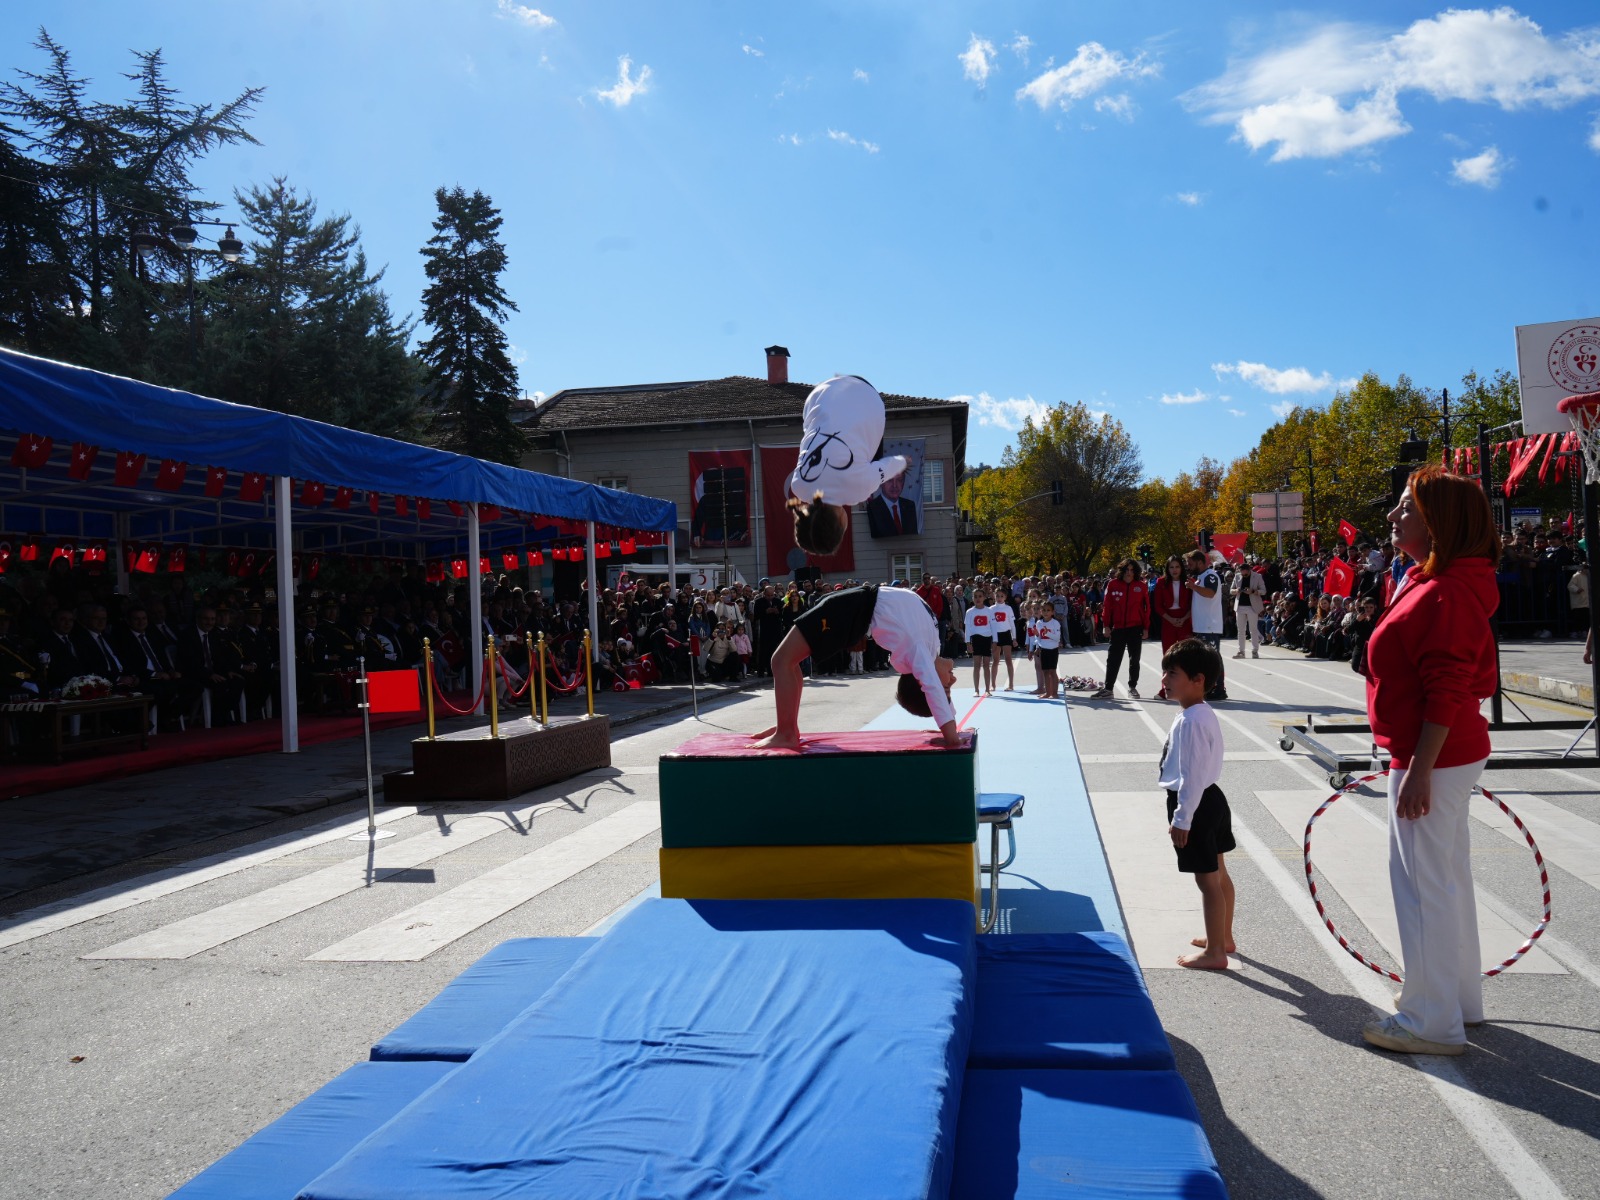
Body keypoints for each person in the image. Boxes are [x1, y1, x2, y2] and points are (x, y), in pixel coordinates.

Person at [1362, 466, 1500, 1056]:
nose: (1393, 518)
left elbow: (1450, 686)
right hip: (1442, 753)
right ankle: (1457, 1001)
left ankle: (1430, 1020)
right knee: (1446, 881)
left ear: (1438, 522)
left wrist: (1417, 768)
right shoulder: (1440, 581)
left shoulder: (1443, 591)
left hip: (1431, 758)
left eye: (1406, 509)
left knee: (1424, 888)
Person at [754, 583, 958, 750]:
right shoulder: (933, 645)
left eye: (947, 686)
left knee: (781, 660)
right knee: (788, 661)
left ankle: (787, 733)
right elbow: (936, 695)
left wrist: (952, 738)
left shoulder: (919, 653)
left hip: (850, 611)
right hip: (854, 602)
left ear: (921, 680)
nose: (953, 679)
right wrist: (954, 727)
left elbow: (934, 692)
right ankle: (787, 726)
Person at [1156, 638, 1235, 970]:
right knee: (1218, 873)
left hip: (1197, 803)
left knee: (1206, 880)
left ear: (1199, 680)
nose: (1164, 680)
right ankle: (1223, 937)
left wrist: (1183, 818)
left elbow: (1191, 774)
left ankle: (1216, 952)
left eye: (1172, 674)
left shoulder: (1191, 721)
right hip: (1211, 797)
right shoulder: (1197, 712)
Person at [788, 374, 907, 555]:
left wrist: (906, 460)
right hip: (820, 394)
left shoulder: (858, 492)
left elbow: (894, 464)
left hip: (867, 396)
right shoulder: (798, 487)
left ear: (842, 523)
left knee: (873, 463)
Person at [1094, 559, 1149, 699]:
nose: (1129, 573)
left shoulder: (1141, 586)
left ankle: (1132, 687)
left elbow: (1146, 608)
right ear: (1122, 570)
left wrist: (1146, 627)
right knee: (1113, 659)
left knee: (1134, 659)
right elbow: (1107, 606)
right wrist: (1106, 625)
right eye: (1126, 570)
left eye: (1132, 570)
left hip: (1135, 628)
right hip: (1117, 628)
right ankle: (1108, 689)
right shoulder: (1113, 584)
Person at [1185, 550, 1227, 701]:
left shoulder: (1210, 576)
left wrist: (1193, 587)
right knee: (1206, 659)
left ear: (1200, 562)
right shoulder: (1199, 577)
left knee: (1214, 658)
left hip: (1210, 625)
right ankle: (1211, 687)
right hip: (1202, 625)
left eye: (1191, 563)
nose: (1188, 566)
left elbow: (1210, 593)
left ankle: (1219, 688)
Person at [1154, 555, 1192, 699]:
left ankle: (1186, 688)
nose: (1174, 570)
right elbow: (1157, 606)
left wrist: (1183, 618)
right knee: (1168, 656)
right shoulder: (1160, 582)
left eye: (1177, 567)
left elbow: (1192, 604)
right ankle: (1165, 690)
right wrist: (1171, 619)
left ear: (1181, 568)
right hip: (1168, 621)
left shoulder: (1188, 583)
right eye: (1171, 567)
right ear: (1167, 569)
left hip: (1185, 621)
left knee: (1186, 656)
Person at [866, 469, 920, 538]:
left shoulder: (910, 505)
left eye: (899, 480)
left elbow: (913, 535)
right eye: (889, 480)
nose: (894, 485)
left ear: (903, 484)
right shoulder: (872, 507)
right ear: (881, 483)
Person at [964, 588, 996, 694]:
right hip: (976, 639)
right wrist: (968, 643)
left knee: (986, 664)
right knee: (976, 665)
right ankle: (976, 690)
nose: (978, 598)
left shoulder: (989, 611)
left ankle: (987, 689)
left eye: (980, 596)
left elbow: (993, 627)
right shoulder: (970, 612)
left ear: (984, 597)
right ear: (972, 598)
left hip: (987, 639)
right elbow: (967, 628)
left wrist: (995, 641)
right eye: (975, 596)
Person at [1232, 562, 1266, 659]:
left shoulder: (1257, 576)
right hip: (1240, 606)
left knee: (1253, 629)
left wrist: (1253, 591)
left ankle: (1255, 650)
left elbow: (1263, 591)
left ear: (1249, 570)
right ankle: (1241, 651)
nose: (1243, 574)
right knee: (1241, 630)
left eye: (1245, 573)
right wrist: (1236, 590)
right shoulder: (1237, 576)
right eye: (1241, 572)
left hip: (1252, 606)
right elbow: (1231, 590)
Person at [989, 589, 1017, 691]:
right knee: (995, 660)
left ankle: (1011, 684)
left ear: (1005, 597)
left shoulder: (1008, 608)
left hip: (1006, 635)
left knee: (1008, 659)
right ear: (994, 596)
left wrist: (1014, 638)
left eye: (1002, 596)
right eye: (997, 596)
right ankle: (993, 684)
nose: (999, 598)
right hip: (995, 636)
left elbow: (1012, 624)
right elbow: (990, 625)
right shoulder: (991, 609)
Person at [1033, 600, 1062, 699]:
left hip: (1053, 650)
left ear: (1053, 612)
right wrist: (1037, 636)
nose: (1046, 612)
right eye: (1044, 610)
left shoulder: (1055, 623)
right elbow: (1039, 638)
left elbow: (1057, 638)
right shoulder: (1039, 623)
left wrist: (1047, 633)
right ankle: (1048, 692)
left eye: (1048, 610)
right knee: (1045, 672)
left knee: (1052, 672)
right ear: (1041, 611)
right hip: (1043, 650)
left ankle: (1055, 693)